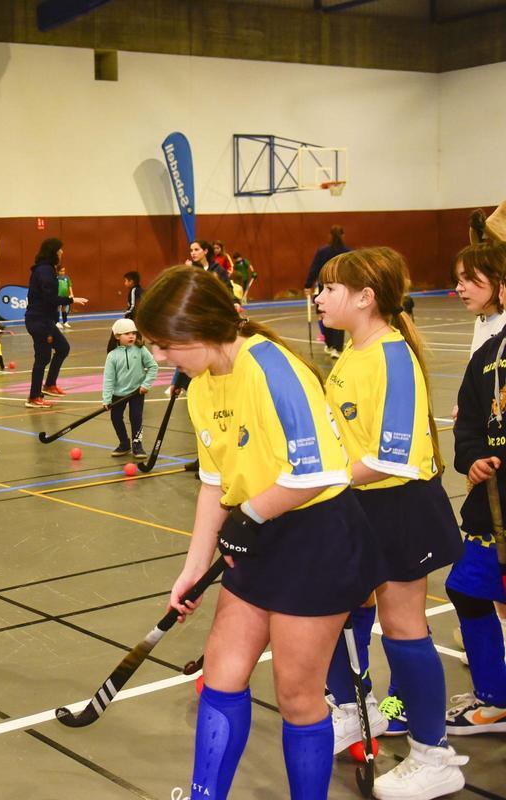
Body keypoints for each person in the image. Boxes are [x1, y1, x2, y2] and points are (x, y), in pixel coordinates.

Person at [136, 265, 382, 800]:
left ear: (198, 329)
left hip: (315, 538)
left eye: (164, 345)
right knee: (222, 675)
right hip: (260, 529)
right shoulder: (201, 386)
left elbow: (315, 472)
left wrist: (250, 516)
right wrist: (192, 568)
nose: (160, 358)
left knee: (297, 697)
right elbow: (212, 485)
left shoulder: (272, 367)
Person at [314, 247, 467, 797]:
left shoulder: (393, 357)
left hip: (399, 506)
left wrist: (312, 485)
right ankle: (360, 711)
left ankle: (434, 755)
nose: (318, 297)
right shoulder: (352, 353)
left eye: (329, 288)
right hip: (355, 503)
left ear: (365, 296)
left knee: (404, 629)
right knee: (327, 610)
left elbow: (389, 458)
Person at [444, 240, 506, 740]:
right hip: (491, 505)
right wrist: (472, 459)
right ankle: (495, 698)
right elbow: (467, 423)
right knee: (467, 588)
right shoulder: (486, 351)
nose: (459, 287)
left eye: (471, 278)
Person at [24, 238, 86, 409]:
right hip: (39, 321)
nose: (62, 253)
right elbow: (50, 298)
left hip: (45, 320)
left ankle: (49, 385)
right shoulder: (44, 270)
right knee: (42, 358)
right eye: (60, 250)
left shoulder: (48, 269)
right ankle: (33, 397)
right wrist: (71, 299)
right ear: (53, 252)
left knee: (63, 348)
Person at [101, 318, 157, 458]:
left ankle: (137, 445)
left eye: (133, 333)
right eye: (127, 333)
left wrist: (146, 384)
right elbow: (108, 379)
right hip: (118, 394)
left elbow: (153, 367)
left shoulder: (140, 350)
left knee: (135, 417)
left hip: (137, 392)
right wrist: (107, 399)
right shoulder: (112, 356)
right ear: (117, 336)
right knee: (116, 418)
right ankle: (124, 444)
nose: (131, 336)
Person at [305, 225, 350, 358]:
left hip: (324, 290)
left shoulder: (322, 251)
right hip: (341, 291)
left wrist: (308, 285)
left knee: (325, 316)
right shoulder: (347, 252)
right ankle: (336, 348)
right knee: (339, 318)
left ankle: (330, 344)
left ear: (330, 236)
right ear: (343, 235)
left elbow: (314, 269)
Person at [56, 265, 74, 330]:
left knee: (64, 309)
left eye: (64, 271)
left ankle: (65, 322)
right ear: (58, 271)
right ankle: (57, 322)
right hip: (58, 296)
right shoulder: (56, 278)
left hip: (65, 295)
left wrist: (71, 293)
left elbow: (70, 286)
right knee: (58, 308)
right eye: (61, 271)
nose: (63, 272)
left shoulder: (67, 278)